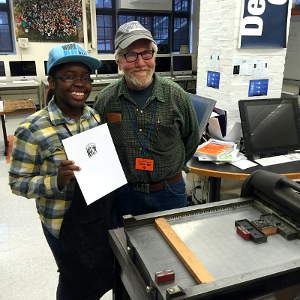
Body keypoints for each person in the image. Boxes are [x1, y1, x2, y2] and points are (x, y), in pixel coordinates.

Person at [9, 43, 114, 300]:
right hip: (63, 222)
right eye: (68, 77)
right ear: (52, 83)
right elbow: (17, 183)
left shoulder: (93, 117)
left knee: (101, 274)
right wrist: (55, 180)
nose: (80, 84)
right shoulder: (32, 128)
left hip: (97, 216)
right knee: (74, 281)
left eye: (84, 77)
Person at [94, 21, 199, 225]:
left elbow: (191, 139)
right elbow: (99, 148)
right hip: (125, 194)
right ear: (119, 61)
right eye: (131, 55)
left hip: (169, 193)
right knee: (126, 251)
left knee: (172, 252)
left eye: (146, 53)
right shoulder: (106, 100)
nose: (140, 62)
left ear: (154, 56)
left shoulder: (177, 96)